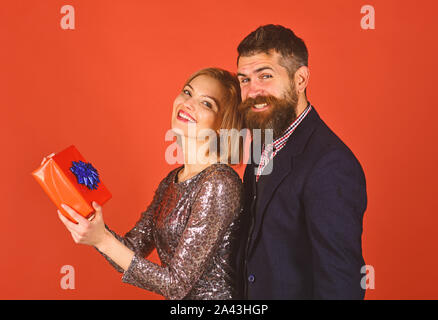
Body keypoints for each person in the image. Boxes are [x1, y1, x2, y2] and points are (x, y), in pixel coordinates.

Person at [58, 68, 245, 300]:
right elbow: (130, 251)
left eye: (206, 103)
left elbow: (175, 285)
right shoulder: (172, 180)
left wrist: (102, 240)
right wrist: (90, 223)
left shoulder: (219, 182)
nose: (189, 103)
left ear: (223, 125)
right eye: (187, 92)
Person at [234, 24, 367, 299]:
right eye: (244, 79)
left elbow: (340, 287)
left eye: (265, 76)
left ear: (300, 79)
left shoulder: (331, 165)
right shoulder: (263, 140)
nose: (252, 91)